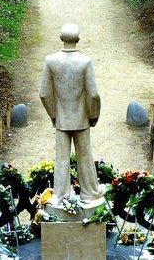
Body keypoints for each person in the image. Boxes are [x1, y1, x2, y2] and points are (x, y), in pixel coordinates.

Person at [39, 23, 105, 205]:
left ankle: (60, 196)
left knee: (61, 159)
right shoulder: (85, 62)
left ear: (61, 37)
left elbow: (44, 93)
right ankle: (90, 193)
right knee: (85, 156)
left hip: (62, 119)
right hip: (82, 119)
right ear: (78, 39)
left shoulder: (51, 61)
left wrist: (54, 115)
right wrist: (93, 116)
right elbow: (94, 94)